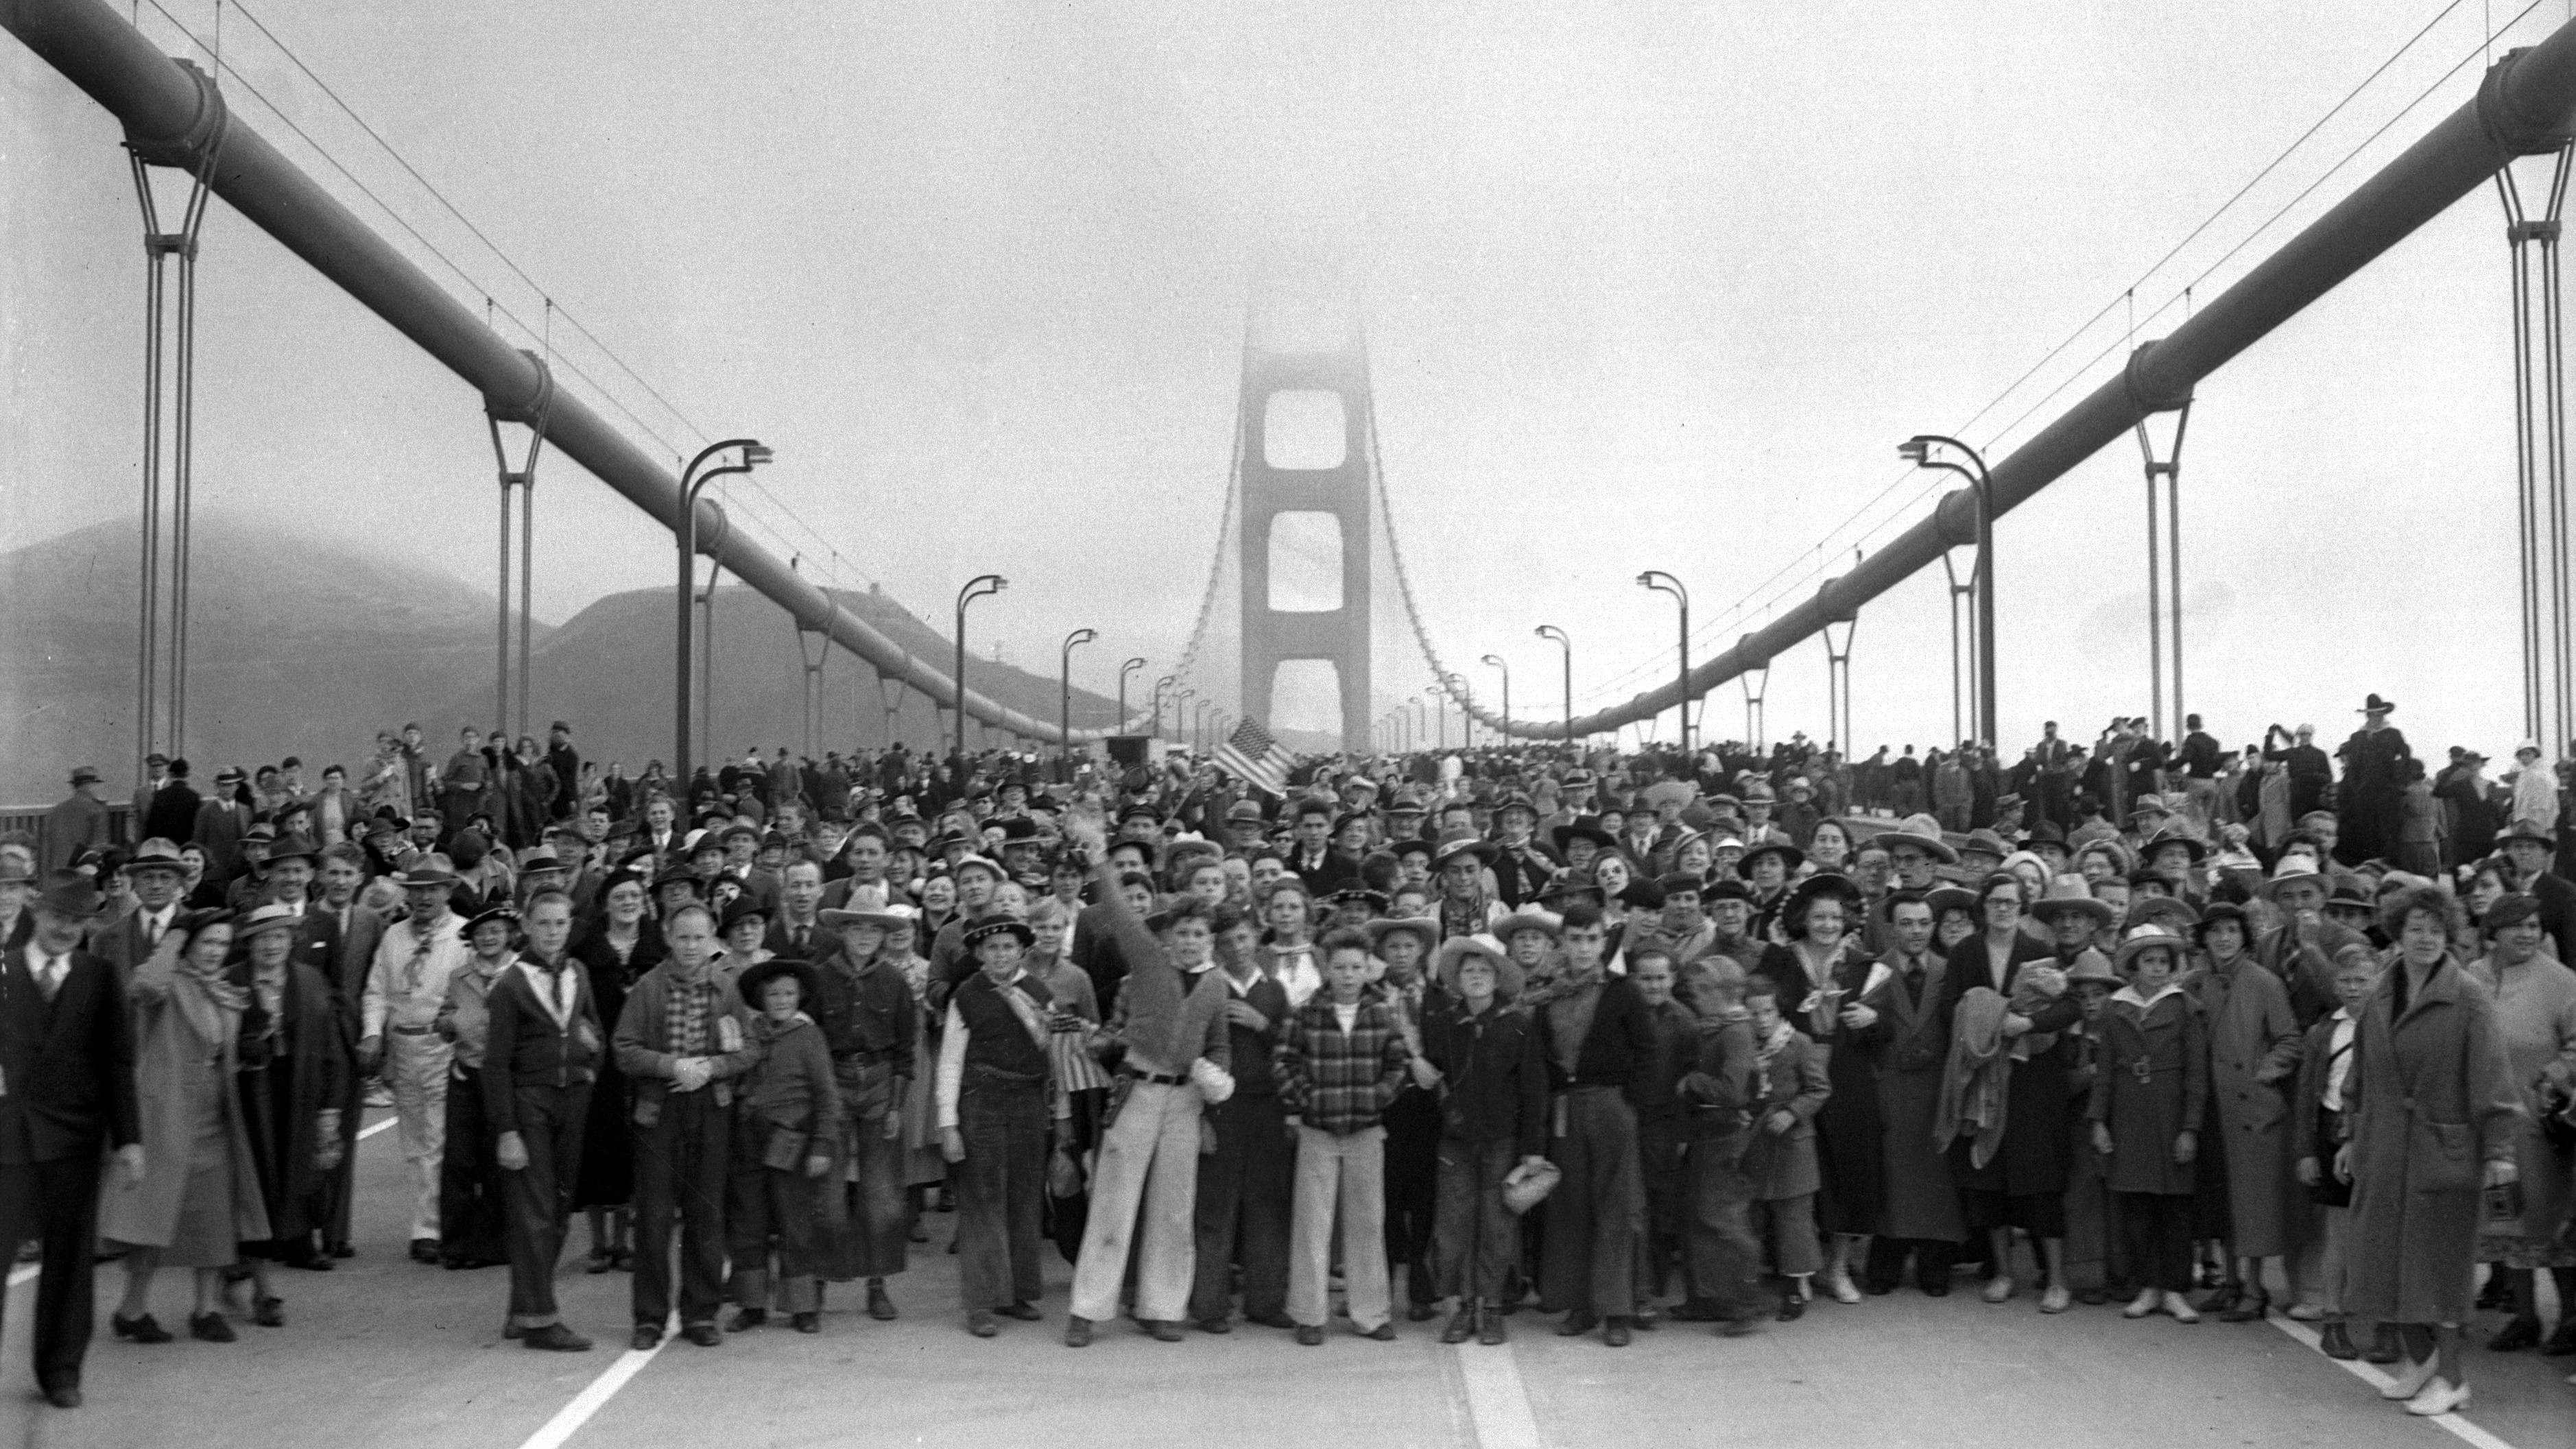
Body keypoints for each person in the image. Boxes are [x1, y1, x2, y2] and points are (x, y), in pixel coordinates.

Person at [2340, 884, 2520, 1417]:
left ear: (2450, 935)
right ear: (2397, 933)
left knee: (2439, 1268)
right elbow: (2361, 1073)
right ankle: (2419, 1362)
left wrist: (2501, 1152)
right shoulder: (2379, 993)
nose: (2425, 938)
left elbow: (2494, 1080)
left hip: (2444, 1150)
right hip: (2383, 1146)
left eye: (2436, 929)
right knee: (2380, 1259)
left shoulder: (2468, 996)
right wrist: (2353, 1134)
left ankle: (2452, 1377)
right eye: (2416, 927)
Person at [1060, 806, 1231, 1350]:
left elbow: (1219, 1040)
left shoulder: (1217, 986)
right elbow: (1116, 910)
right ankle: (1088, 1307)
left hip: (1185, 1102)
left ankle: (1163, 1305)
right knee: (1113, 1197)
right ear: (1169, 934)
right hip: (1137, 1087)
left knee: (1174, 1206)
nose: (1190, 941)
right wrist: (1097, 855)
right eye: (1182, 932)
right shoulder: (1149, 960)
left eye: (1200, 933)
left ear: (1210, 939)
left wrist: (1217, 1072)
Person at [0, 873, 142, 1407]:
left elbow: (117, 1062)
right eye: (59, 917)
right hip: (7, 1141)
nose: (67, 929)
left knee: (70, 1257)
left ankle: (60, 1370)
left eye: (79, 921)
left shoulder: (98, 977)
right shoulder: (5, 971)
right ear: (38, 915)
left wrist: (129, 1139)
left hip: (75, 1140)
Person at [103, 908, 267, 1348]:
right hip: (165, 1117)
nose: (214, 952)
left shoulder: (226, 994)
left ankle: (205, 1310)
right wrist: (174, 936)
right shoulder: (167, 984)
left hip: (213, 1120)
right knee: (154, 1217)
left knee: (213, 1217)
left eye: (221, 944)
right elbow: (145, 984)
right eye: (207, 942)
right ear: (190, 944)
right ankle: (131, 1310)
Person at [613, 901, 760, 1350]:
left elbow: (748, 1050)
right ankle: (650, 1316)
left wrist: (711, 1068)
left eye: (700, 937)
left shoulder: (727, 989)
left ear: (713, 937)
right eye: (683, 937)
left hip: (710, 1109)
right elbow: (624, 1048)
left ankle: (700, 1312)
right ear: (667, 936)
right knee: (656, 1217)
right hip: (659, 1112)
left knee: (705, 1212)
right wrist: (672, 1065)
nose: (692, 946)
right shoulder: (647, 989)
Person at [1940, 870, 2079, 1312]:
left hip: (2031, 1082)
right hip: (1981, 1076)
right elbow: (1949, 1009)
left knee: (2039, 1179)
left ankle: (2057, 1280)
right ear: (1984, 907)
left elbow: (2069, 1006)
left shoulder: (2039, 952)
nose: (2003, 909)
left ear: (2022, 908)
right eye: (1996, 902)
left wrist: (2030, 1023)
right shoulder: (1965, 952)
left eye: (2011, 903)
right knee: (1988, 1175)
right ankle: (2003, 1272)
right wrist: (1984, 1017)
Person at [1274, 927, 1409, 1346]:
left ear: (1368, 969)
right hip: (1318, 1131)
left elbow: (1397, 1064)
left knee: (1368, 1223)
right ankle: (1310, 1314)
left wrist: (1378, 1097)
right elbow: (1283, 1063)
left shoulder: (1382, 1013)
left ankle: (1370, 1314)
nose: (1348, 975)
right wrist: (1308, 1100)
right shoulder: (1305, 1013)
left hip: (1366, 1131)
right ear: (1325, 969)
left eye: (1356, 967)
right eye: (1339, 967)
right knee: (1312, 1223)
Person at [1530, 901, 1656, 1345]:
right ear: (1562, 942)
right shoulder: (1550, 995)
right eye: (1575, 938)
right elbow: (1542, 1059)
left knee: (1617, 1206)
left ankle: (1616, 1308)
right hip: (1566, 1106)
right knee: (1570, 1207)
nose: (1583, 947)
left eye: (1591, 939)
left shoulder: (1622, 991)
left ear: (1604, 943)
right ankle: (1581, 1304)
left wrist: (1628, 1103)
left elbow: (1646, 1050)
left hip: (1611, 1105)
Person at [484, 889, 602, 1352]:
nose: (553, 932)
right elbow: (495, 1064)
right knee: (534, 1211)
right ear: (527, 927)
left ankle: (523, 1304)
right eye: (545, 923)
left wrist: (591, 1058)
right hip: (529, 1101)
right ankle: (540, 1319)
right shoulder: (511, 983)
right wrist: (507, 1129)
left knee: (557, 1207)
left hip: (572, 1099)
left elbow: (593, 1029)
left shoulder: (579, 972)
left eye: (561, 923)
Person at [2461, 892, 2576, 1354]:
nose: (2528, 933)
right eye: (2517, 926)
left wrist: (2556, 1074)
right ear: (2494, 932)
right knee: (2505, 1223)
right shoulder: (2472, 977)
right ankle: (2524, 1315)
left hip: (2539, 1129)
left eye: (2534, 924)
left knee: (2548, 1225)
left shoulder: (2562, 981)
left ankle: (2570, 1316)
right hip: (2490, 1130)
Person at [1418, 932, 1547, 1346]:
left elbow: (1534, 1091)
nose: (1476, 976)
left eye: (1484, 970)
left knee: (1496, 1225)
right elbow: (1433, 1075)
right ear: (1458, 978)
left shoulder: (1517, 1026)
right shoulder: (1445, 1024)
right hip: (1455, 1141)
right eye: (1468, 970)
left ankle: (1491, 1307)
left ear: (1497, 977)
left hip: (1501, 1141)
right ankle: (1460, 1307)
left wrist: (1532, 1150)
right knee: (1454, 1224)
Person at [227, 903, 350, 1314]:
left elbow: (330, 1048)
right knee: (254, 1178)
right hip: (247, 1094)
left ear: (291, 941)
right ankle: (252, 1272)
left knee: (297, 1170)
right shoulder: (232, 980)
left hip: (299, 1090)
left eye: (279, 937)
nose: (271, 946)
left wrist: (330, 1109)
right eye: (262, 938)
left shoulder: (310, 980)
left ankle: (287, 1247)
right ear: (248, 943)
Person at [936, 914, 1056, 1337]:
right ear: (978, 954)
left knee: (1024, 1196)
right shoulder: (966, 995)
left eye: (1008, 947)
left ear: (1022, 951)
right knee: (983, 1197)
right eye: (992, 949)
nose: (1001, 955)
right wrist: (948, 1124)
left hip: (1028, 1104)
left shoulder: (1039, 992)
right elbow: (950, 1061)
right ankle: (982, 1301)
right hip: (981, 1103)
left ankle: (1018, 1293)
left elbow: (1054, 1052)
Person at [2189, 900, 2305, 1324]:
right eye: (2216, 930)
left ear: (2244, 937)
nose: (2223, 938)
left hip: (2251, 1108)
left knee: (2252, 1204)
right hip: (2211, 1106)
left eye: (2232, 931)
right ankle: (2231, 1283)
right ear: (2204, 937)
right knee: (2222, 1198)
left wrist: (2262, 1074)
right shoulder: (2197, 982)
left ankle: (2254, 1290)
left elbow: (2290, 1040)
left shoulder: (2264, 983)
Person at [2088, 924, 2208, 1323]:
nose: (2157, 969)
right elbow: (2103, 1070)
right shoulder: (2113, 1009)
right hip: (2129, 1118)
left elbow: (2196, 1074)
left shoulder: (2186, 1007)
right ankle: (2147, 1287)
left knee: (2174, 1209)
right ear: (2133, 966)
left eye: (2164, 961)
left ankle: (2174, 1291)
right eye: (2149, 961)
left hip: (2171, 1115)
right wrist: (2099, 1121)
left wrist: (2190, 1127)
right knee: (2136, 1207)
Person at [812, 894, 918, 1320]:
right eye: (857, 927)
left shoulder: (895, 982)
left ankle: (878, 1282)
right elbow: (811, 1044)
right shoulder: (819, 979)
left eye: (874, 929)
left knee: (883, 1193)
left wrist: (896, 1106)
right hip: (834, 1081)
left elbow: (905, 1052)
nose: (865, 936)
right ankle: (818, 1280)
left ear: (884, 935)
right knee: (827, 1191)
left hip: (878, 1084)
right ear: (842, 931)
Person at [361, 861, 473, 1265]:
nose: (424, 897)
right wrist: (372, 1033)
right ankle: (434, 1217)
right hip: (402, 1046)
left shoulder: (463, 935)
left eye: (434, 889)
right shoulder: (393, 936)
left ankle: (430, 1226)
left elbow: (473, 991)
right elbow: (376, 991)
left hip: (441, 1044)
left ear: (448, 891)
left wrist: (457, 1026)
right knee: (413, 1140)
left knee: (438, 1136)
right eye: (417, 889)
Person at [1191, 901, 1293, 1334]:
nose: (1237, 947)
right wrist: (1200, 1116)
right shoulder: (1208, 988)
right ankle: (1211, 1306)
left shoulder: (1274, 991)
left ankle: (1266, 1302)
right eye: (1227, 940)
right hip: (1222, 1109)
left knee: (1267, 1204)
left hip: (1267, 1108)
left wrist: (1262, 1024)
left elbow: (1291, 1050)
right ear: (1216, 946)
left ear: (1257, 938)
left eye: (1244, 937)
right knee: (1217, 1207)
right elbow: (1192, 1055)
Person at [726, 957, 842, 1334]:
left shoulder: (809, 1038)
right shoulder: (749, 1033)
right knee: (749, 1221)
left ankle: (803, 1306)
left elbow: (827, 1096)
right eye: (773, 993)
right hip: (748, 1139)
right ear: (761, 998)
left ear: (800, 997)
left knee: (796, 1223)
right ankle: (752, 1304)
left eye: (789, 993)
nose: (781, 1000)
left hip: (792, 1140)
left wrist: (822, 1144)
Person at [2291, 951, 2389, 1363]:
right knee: (2339, 1231)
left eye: (2362, 979)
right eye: (2345, 980)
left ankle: (2387, 1325)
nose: (2353, 987)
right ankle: (2334, 1321)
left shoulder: (2389, 1022)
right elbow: (2306, 1095)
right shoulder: (2323, 1032)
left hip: (2378, 1130)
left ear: (2377, 980)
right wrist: (2306, 1151)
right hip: (2333, 1129)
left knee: (2383, 1231)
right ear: (2335, 985)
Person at [571, 867, 658, 1273]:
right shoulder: (587, 950)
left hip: (644, 1058)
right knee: (597, 1143)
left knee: (634, 1145)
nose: (628, 902)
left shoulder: (656, 945)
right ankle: (598, 1242)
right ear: (606, 903)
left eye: (634, 895)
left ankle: (624, 1242)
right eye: (620, 896)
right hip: (599, 1060)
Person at [1739, 973, 1833, 1319]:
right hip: (1755, 1140)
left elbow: (1820, 1089)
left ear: (1779, 1011)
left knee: (1794, 1217)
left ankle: (1796, 1286)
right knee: (1753, 1214)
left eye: (1767, 1012)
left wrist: (1793, 1113)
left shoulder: (1799, 1044)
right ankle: (1751, 1281)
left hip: (1792, 1142)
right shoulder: (1743, 1047)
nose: (1761, 1020)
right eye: (1753, 1013)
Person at [433, 904, 517, 1270]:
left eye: (496, 931)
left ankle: (491, 1245)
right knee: (459, 1160)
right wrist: (450, 1022)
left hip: (507, 1077)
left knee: (497, 1161)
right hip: (466, 1074)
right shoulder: (459, 976)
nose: (489, 938)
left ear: (509, 934)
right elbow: (444, 1019)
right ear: (472, 939)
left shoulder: (521, 973)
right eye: (482, 932)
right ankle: (455, 1244)